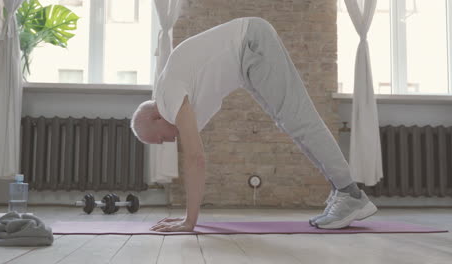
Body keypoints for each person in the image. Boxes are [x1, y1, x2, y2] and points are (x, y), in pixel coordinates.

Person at [130, 17, 378, 232]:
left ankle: (349, 193)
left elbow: (196, 158)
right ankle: (343, 191)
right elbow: (195, 151)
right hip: (248, 52)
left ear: (155, 117)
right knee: (292, 122)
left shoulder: (167, 96)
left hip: (251, 45)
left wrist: (189, 221)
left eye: (160, 138)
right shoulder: (175, 90)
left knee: (300, 120)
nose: (168, 142)